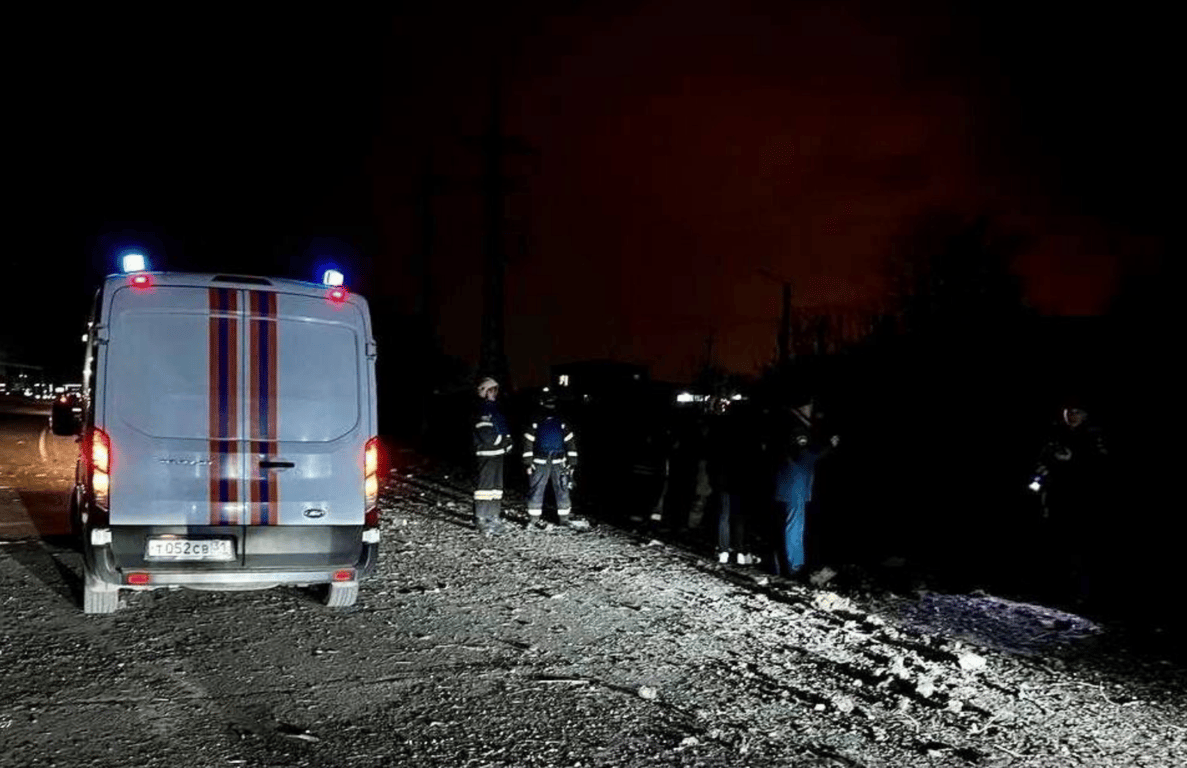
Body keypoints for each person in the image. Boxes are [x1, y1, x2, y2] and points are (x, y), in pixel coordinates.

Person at [1029, 401, 1109, 602]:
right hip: (1056, 497)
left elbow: (1101, 465)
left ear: (1085, 414)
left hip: (1083, 500)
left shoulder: (1093, 435)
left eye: (1077, 412)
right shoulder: (1056, 434)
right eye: (1068, 411)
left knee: (1082, 545)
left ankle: (1082, 593)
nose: (1072, 415)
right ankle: (1054, 589)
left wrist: (1073, 459)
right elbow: (1042, 462)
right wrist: (1038, 481)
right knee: (1055, 542)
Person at [771, 396, 838, 576]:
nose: (812, 409)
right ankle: (794, 565)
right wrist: (828, 447)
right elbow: (805, 457)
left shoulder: (787, 424)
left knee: (787, 524)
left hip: (789, 482)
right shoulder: (798, 429)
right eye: (809, 406)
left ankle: (784, 564)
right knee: (794, 525)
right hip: (795, 483)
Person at [522, 389, 583, 528]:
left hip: (558, 461)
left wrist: (572, 463)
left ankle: (564, 519)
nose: (550, 406)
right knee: (537, 489)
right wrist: (527, 463)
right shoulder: (536, 421)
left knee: (562, 488)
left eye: (552, 403)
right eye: (548, 402)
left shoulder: (561, 421)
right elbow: (528, 442)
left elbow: (570, 441)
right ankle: (533, 519)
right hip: (540, 461)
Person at [472, 377, 511, 536]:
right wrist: (502, 441)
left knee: (496, 487)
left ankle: (493, 516)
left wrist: (507, 442)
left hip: (497, 453)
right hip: (487, 452)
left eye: (496, 389)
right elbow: (486, 433)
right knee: (484, 487)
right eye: (492, 390)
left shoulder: (495, 408)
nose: (495, 393)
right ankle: (481, 518)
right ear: (485, 392)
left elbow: (503, 429)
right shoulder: (482, 409)